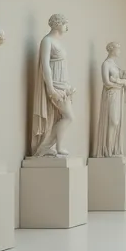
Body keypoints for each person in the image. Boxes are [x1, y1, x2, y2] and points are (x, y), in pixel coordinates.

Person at [31, 14, 75, 157]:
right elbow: (45, 65)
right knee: (68, 117)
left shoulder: (58, 42)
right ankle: (46, 147)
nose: (67, 27)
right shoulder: (47, 40)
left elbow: (62, 66)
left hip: (63, 84)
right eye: (65, 23)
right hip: (55, 84)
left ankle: (51, 147)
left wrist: (68, 86)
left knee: (59, 117)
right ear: (57, 24)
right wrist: (50, 88)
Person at [94, 41, 126, 158]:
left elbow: (123, 79)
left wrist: (121, 80)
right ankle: (107, 150)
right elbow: (106, 82)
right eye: (117, 49)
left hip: (118, 94)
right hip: (111, 94)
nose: (119, 51)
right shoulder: (106, 64)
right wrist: (121, 83)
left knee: (117, 122)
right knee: (113, 121)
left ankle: (114, 149)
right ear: (111, 49)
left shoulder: (115, 65)